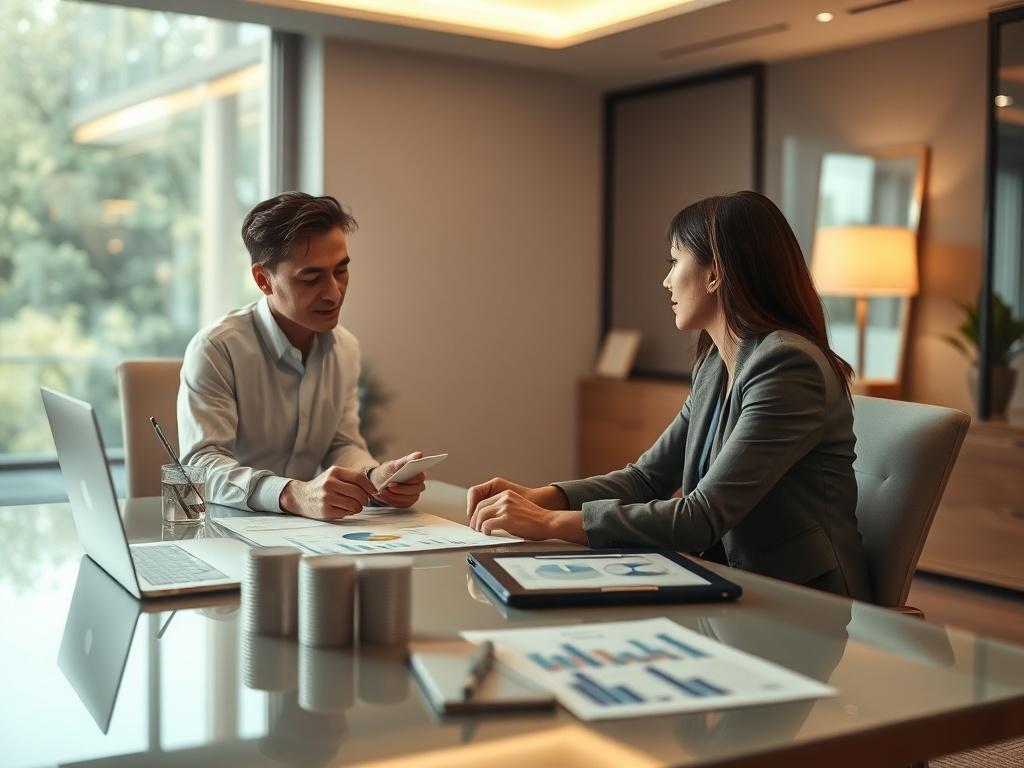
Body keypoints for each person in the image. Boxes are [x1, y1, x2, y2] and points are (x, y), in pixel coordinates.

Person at [467, 191, 872, 600]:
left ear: (714, 274)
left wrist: (549, 523)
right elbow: (647, 478)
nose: (666, 280)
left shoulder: (786, 366)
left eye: (674, 261)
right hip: (734, 588)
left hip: (807, 605)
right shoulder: (715, 366)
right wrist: (545, 498)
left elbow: (700, 517)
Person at [177, 192, 425, 519]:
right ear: (263, 280)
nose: (334, 293)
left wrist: (375, 479)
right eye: (311, 278)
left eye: (341, 271)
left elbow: (342, 444)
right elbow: (202, 466)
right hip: (225, 531)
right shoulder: (216, 349)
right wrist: (292, 494)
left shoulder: (345, 348)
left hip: (309, 536)